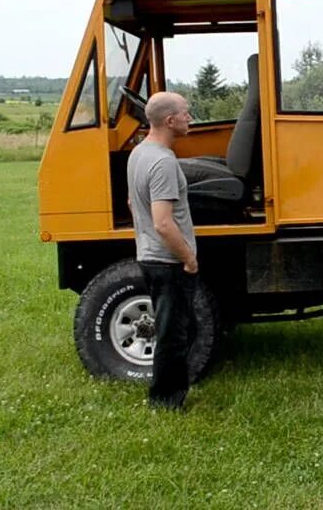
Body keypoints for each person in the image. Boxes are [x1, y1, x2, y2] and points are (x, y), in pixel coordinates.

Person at [127, 92, 198, 410]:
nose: (190, 119)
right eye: (186, 113)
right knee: (172, 334)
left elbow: (133, 203)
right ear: (170, 121)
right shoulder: (163, 162)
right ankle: (166, 400)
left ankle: (169, 393)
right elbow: (164, 223)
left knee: (174, 326)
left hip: (149, 255)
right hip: (168, 261)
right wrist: (188, 258)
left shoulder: (139, 154)